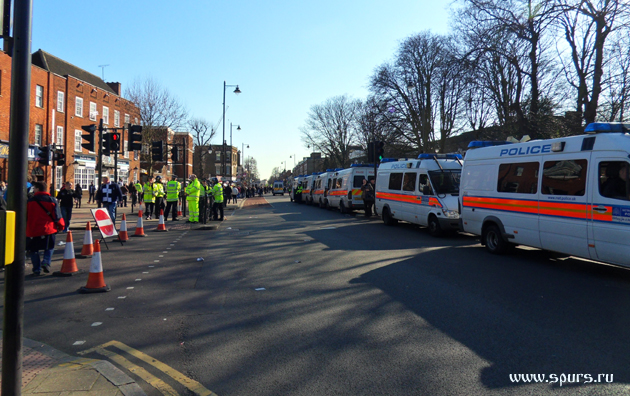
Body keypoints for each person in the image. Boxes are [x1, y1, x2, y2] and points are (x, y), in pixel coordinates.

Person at [26, 181, 64, 276]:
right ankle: (46, 262)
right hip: (48, 229)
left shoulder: (30, 201)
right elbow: (57, 216)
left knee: (33, 250)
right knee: (49, 247)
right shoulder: (51, 200)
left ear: (38, 189)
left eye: (34, 188)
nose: (33, 190)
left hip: (32, 229)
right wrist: (61, 226)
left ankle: (36, 269)